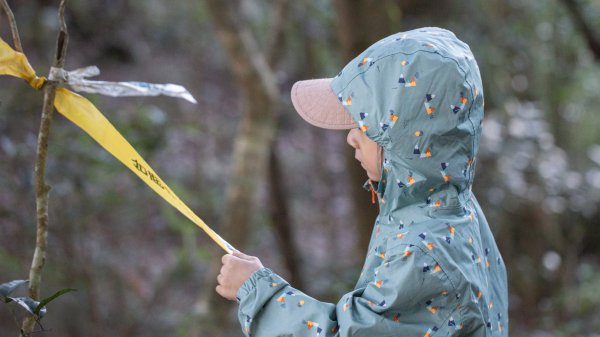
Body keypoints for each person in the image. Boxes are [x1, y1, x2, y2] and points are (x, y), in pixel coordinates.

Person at [216, 27, 508, 337]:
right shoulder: (446, 208)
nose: (351, 138)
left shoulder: (424, 250)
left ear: (407, 142)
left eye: (364, 124)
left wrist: (260, 297)